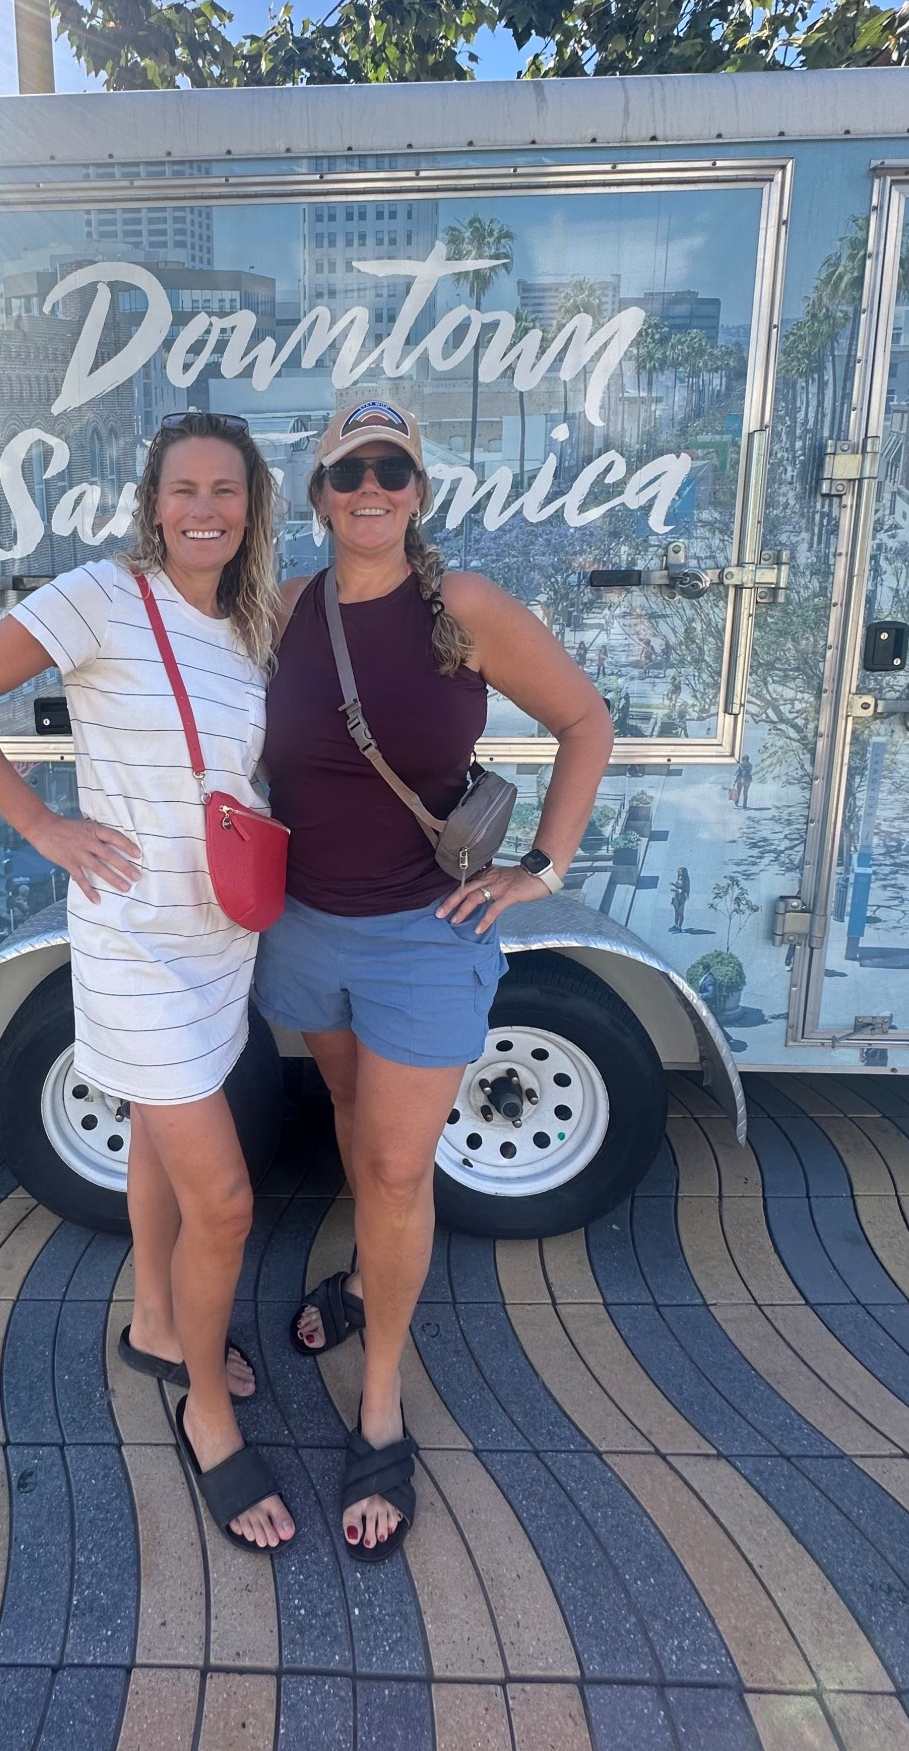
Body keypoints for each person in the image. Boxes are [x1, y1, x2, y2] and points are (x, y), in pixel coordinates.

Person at [0, 410, 294, 1556]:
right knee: (223, 1195)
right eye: (185, 488)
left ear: (251, 505)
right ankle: (208, 1412)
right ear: (153, 501)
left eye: (227, 489)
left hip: (219, 933)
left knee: (158, 1153)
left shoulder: (252, 624)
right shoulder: (99, 594)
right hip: (130, 937)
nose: (206, 509)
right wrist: (41, 822)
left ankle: (160, 1324)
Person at [255, 398, 612, 1562]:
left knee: (400, 1162)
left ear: (418, 487)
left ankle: (383, 1397)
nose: (370, 485)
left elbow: (584, 720)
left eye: (391, 468)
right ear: (316, 494)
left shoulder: (462, 608)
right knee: (359, 1128)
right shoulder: (287, 610)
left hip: (424, 932)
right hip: (305, 927)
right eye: (348, 469)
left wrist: (540, 870)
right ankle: (361, 1272)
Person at [670, 864, 691, 932]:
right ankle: (676, 925)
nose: (678, 872)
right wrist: (673, 884)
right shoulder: (679, 878)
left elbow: (683, 890)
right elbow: (677, 886)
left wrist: (675, 890)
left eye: (680, 871)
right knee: (676, 912)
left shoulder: (685, 880)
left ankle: (679, 926)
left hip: (681, 898)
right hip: (676, 896)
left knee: (680, 912)